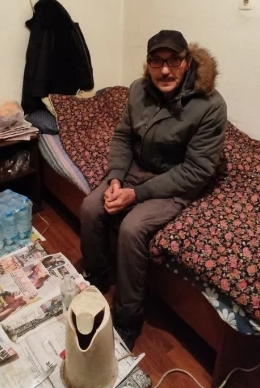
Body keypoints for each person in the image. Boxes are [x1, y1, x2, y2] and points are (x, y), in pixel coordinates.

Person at [80, 30, 227, 349]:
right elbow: (123, 137)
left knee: (132, 228)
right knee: (91, 207)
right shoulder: (138, 90)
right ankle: (96, 274)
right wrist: (116, 177)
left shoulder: (210, 105)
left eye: (173, 60)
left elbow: (197, 170)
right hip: (136, 169)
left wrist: (137, 194)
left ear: (187, 62)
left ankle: (127, 318)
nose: (165, 70)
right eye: (156, 61)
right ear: (148, 64)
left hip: (176, 181)